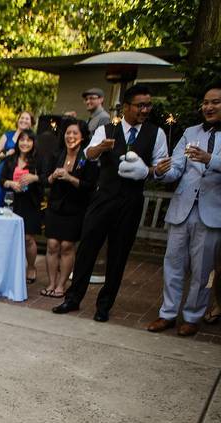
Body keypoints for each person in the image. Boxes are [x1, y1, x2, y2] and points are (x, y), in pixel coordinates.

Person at [53, 84, 169, 322]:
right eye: (140, 105)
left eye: (148, 105)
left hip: (131, 201)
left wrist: (146, 171)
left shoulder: (156, 133)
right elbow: (88, 155)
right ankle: (73, 298)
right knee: (87, 249)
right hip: (103, 197)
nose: (145, 110)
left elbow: (161, 170)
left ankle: (104, 305)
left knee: (118, 254)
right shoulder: (107, 129)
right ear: (126, 106)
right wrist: (100, 147)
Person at [147, 84, 221, 337]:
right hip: (182, 208)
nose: (208, 107)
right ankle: (167, 314)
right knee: (173, 264)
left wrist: (210, 159)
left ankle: (192, 316)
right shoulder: (190, 133)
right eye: (205, 102)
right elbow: (177, 167)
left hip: (212, 213)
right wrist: (161, 171)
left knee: (202, 270)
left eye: (215, 102)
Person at [42, 119, 98, 298]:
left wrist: (70, 178)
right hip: (55, 206)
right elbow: (44, 179)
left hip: (76, 207)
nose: (71, 136)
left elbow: (90, 186)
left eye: (75, 133)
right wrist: (52, 177)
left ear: (82, 137)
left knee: (66, 246)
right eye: (68, 133)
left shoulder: (87, 158)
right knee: (52, 244)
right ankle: (51, 283)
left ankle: (61, 285)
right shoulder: (56, 155)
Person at [0, 129, 43, 283]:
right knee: (11, 237)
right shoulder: (11, 159)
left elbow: (46, 178)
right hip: (12, 202)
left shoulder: (38, 160)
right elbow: (0, 180)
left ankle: (31, 267)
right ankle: (12, 268)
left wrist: (34, 178)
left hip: (31, 203)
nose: (25, 143)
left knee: (28, 238)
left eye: (28, 140)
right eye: (22, 140)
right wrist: (10, 183)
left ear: (33, 143)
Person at [0, 111, 34, 206]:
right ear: (18, 120)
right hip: (3, 171)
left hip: (21, 171)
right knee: (0, 200)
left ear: (31, 123)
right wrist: (7, 154)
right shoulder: (7, 135)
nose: (24, 120)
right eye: (22, 118)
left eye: (27, 119)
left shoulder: (33, 139)